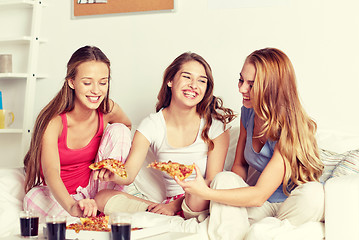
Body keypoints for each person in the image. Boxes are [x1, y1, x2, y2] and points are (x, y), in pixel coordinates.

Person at [176, 48, 325, 239]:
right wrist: (231, 192)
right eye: (241, 80)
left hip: (294, 204)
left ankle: (264, 231)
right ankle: (259, 232)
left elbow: (259, 195)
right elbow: (240, 165)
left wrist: (206, 192)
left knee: (314, 193)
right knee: (223, 178)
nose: (241, 89)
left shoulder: (292, 128)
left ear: (272, 87)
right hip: (263, 205)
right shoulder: (248, 113)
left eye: (251, 85)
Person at [94, 52, 236, 218]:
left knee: (199, 193)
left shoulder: (215, 126)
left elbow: (212, 181)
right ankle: (158, 213)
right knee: (102, 198)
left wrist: (174, 206)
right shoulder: (152, 124)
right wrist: (114, 174)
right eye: (187, 77)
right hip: (169, 203)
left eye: (201, 80)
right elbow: (129, 174)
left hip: (201, 198)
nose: (193, 85)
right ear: (170, 80)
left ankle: (168, 212)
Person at [23, 45, 132, 218]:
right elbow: (51, 172)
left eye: (103, 82)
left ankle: (103, 204)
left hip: (96, 188)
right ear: (71, 82)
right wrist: (72, 205)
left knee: (119, 130)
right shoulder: (53, 121)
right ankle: (86, 215)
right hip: (60, 196)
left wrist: (109, 163)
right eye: (87, 83)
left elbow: (126, 128)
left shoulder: (108, 109)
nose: (96, 90)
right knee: (32, 198)